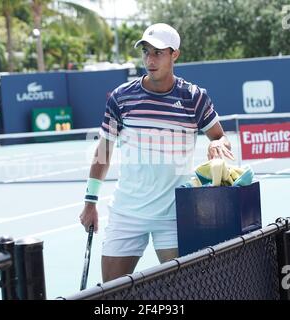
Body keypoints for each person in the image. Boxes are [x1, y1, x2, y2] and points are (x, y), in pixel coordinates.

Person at [79, 23, 234, 283]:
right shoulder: (121, 98)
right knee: (111, 294)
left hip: (174, 215)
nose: (150, 60)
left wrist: (219, 143)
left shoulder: (194, 98)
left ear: (175, 55)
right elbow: (104, 150)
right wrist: (90, 203)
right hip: (127, 213)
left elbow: (220, 136)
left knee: (183, 291)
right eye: (146, 52)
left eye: (158, 53)